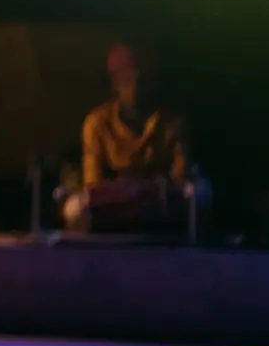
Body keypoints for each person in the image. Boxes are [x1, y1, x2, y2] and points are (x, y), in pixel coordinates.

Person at [63, 43, 201, 232]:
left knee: (201, 193)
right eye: (127, 81)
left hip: (158, 204)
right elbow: (93, 185)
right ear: (115, 83)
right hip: (112, 205)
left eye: (141, 80)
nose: (135, 88)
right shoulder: (97, 123)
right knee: (74, 208)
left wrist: (144, 191)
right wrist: (124, 193)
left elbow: (180, 180)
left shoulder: (172, 123)